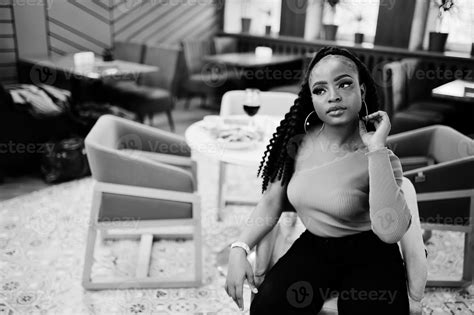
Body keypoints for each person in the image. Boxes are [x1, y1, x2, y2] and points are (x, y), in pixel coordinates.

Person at [225, 46, 427, 315]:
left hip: (372, 252)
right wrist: (239, 249)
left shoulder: (381, 156)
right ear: (312, 98)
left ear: (362, 90)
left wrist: (376, 150)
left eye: (344, 84)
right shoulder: (297, 143)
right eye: (320, 90)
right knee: (266, 308)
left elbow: (390, 232)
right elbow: (272, 200)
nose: (333, 96)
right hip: (316, 246)